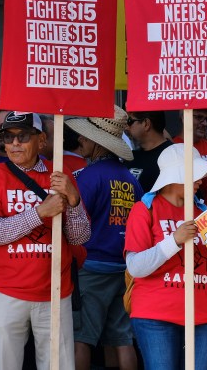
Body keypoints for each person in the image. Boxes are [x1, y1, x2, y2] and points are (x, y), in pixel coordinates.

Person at [0, 111, 91, 369]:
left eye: (22, 136)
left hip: (55, 291)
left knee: (57, 365)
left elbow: (80, 236)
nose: (13, 144)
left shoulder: (60, 173)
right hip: (6, 291)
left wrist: (74, 200)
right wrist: (39, 213)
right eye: (7, 137)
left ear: (41, 140)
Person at [124, 144, 207, 370]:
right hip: (155, 315)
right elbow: (135, 267)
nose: (201, 180)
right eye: (196, 174)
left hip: (206, 315)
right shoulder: (144, 210)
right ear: (176, 175)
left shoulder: (205, 212)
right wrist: (174, 241)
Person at [65, 105, 142, 370]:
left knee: (82, 338)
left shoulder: (86, 178)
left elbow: (72, 224)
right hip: (124, 267)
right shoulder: (131, 180)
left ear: (97, 142)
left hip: (92, 267)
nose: (81, 140)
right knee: (121, 338)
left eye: (85, 136)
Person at [124, 110, 173, 193]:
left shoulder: (175, 157)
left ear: (146, 124)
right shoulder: (130, 157)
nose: (126, 127)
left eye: (130, 121)